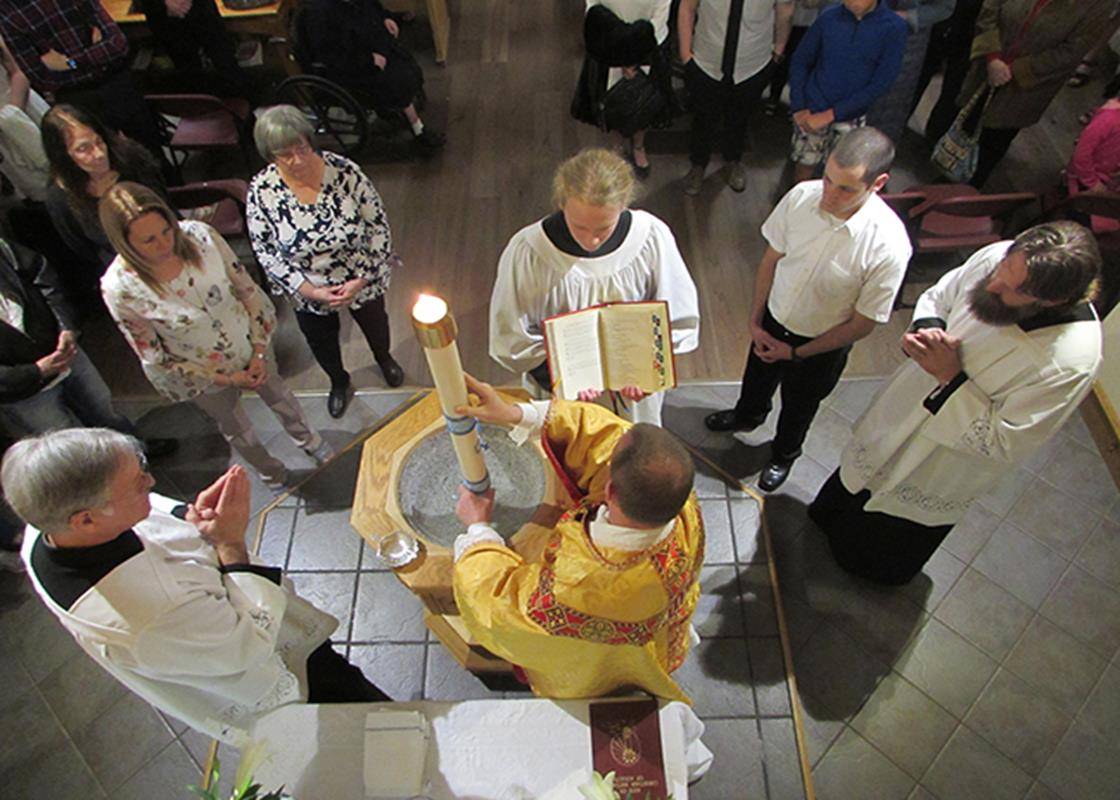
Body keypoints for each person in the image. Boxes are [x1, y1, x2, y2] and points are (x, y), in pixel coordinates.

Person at [3, 430, 390, 744]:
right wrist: (230, 543)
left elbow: (149, 519)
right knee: (355, 722)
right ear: (85, 521)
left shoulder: (46, 523)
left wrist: (189, 519)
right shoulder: (148, 616)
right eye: (138, 483)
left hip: (238, 632)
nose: (152, 482)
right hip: (278, 675)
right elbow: (248, 644)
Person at [811, 222, 1103, 585]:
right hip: (907, 403)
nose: (993, 285)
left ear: (1052, 301)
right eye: (1001, 270)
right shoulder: (1006, 260)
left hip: (941, 458)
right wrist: (928, 326)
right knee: (848, 485)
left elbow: (1006, 441)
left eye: (1012, 290)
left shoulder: (1071, 358)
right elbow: (944, 294)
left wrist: (951, 378)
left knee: (875, 543)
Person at [451, 374, 704, 702]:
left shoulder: (576, 585)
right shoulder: (677, 499)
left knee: (598, 673)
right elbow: (605, 434)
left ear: (610, 490)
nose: (613, 443)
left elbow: (501, 610)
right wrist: (515, 414)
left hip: (593, 664)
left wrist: (479, 529)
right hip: (657, 630)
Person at [705, 127, 911, 491]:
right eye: (827, 178)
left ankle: (784, 454)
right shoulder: (802, 196)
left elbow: (863, 324)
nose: (828, 194)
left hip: (820, 347)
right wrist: (755, 321)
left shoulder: (889, 246)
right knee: (755, 379)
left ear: (878, 183)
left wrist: (796, 352)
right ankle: (747, 415)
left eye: (845, 188)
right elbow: (771, 260)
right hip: (773, 320)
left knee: (800, 407)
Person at [100, 182, 330, 489]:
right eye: (149, 240)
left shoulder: (199, 236)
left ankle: (310, 441)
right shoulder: (121, 288)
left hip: (250, 343)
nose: (164, 244)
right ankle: (270, 471)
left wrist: (259, 349)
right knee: (236, 427)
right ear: (126, 244)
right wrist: (228, 380)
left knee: (281, 397)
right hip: (204, 374)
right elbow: (156, 357)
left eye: (166, 231)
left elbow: (246, 289)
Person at [489, 148, 700, 426]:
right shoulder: (529, 251)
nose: (591, 242)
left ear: (624, 205)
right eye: (579, 227)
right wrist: (563, 377)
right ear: (562, 203)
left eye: (603, 228)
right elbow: (510, 337)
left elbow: (676, 317)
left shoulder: (650, 237)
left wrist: (648, 370)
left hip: (631, 389)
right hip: (563, 391)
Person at [246, 106, 404, 419]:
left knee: (376, 323)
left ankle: (384, 358)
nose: (298, 160)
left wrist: (361, 278)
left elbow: (378, 227)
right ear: (270, 156)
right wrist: (308, 290)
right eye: (285, 155)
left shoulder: (346, 172)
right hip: (309, 287)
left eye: (301, 148)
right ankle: (339, 381)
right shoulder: (261, 191)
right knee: (321, 341)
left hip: (359, 273)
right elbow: (264, 250)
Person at [0, 235, 176, 455]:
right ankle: (105, 481)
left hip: (65, 352)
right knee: (68, 443)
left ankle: (135, 453)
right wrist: (36, 371)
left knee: (105, 412)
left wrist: (66, 326)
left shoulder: (5, 250)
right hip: (26, 393)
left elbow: (42, 275)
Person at [950, 0, 1113, 188]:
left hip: (1025, 89)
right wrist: (992, 57)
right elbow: (991, 7)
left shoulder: (1098, 5)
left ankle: (964, 194)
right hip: (985, 69)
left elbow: (1071, 52)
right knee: (963, 123)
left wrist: (1014, 70)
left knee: (992, 143)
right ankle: (943, 181)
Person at [0, 0, 164, 159]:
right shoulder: (7, 11)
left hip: (115, 82)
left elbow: (117, 44)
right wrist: (94, 54)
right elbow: (40, 77)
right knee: (104, 165)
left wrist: (70, 63)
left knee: (151, 154)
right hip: (77, 99)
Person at [41, 104, 169, 290]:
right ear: (63, 155)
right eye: (84, 149)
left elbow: (163, 202)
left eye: (99, 142)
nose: (99, 154)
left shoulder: (130, 158)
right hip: (132, 275)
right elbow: (82, 248)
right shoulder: (60, 198)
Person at [678, 0, 794, 194]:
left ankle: (733, 160)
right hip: (706, 59)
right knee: (703, 118)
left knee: (740, 118)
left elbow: (786, 11)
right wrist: (685, 54)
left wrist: (778, 53)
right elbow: (687, 7)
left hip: (753, 62)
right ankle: (698, 164)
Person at [299, 0, 444, 153]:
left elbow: (371, 7)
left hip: (371, 49)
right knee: (397, 80)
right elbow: (331, 56)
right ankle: (417, 128)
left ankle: (405, 113)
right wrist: (368, 60)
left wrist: (385, 18)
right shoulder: (319, 13)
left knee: (403, 66)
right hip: (351, 68)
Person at [786, 0, 907, 183]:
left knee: (842, 172)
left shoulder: (894, 28)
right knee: (804, 164)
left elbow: (881, 83)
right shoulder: (829, 16)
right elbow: (801, 60)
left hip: (851, 116)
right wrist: (798, 106)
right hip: (813, 108)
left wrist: (831, 114)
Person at [571, 0, 674, 178]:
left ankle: (638, 146)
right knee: (611, 101)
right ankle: (616, 147)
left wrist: (636, 52)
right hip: (610, 45)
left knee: (643, 102)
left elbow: (661, 11)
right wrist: (618, 48)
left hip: (647, 48)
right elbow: (593, 7)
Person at [864, 0, 957, 144]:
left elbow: (945, 7)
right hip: (862, 25)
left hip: (907, 40)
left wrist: (908, 16)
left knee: (887, 110)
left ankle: (872, 156)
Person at [139, 0, 252, 99]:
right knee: (189, 74)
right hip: (163, 15)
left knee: (227, 64)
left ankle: (242, 115)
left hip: (201, 9)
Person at [1066, 90, 1120, 235]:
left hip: (1108, 182)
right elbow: (1081, 156)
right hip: (1085, 179)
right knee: (1086, 227)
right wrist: (1093, 182)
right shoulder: (1108, 120)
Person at [762, 0, 825, 117]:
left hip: (803, 25)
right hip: (776, 20)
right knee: (774, 61)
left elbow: (811, 4)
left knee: (798, 65)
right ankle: (772, 96)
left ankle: (796, 105)